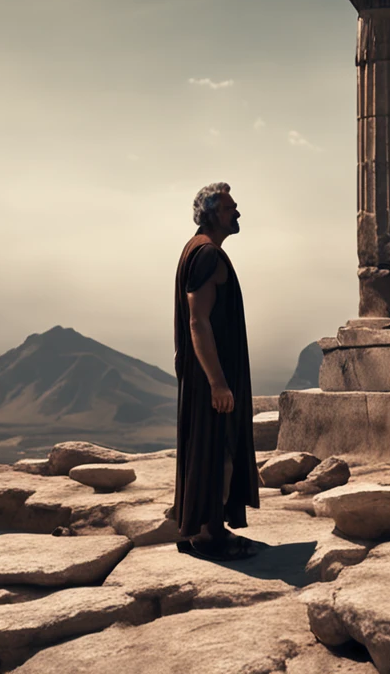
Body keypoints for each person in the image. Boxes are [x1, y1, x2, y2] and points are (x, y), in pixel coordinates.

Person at [170, 182, 261, 561]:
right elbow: (198, 322)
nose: (236, 213)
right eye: (229, 209)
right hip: (212, 375)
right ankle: (210, 536)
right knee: (218, 452)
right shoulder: (206, 254)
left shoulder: (197, 249)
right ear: (211, 215)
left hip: (203, 372)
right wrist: (218, 382)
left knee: (207, 449)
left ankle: (199, 529)